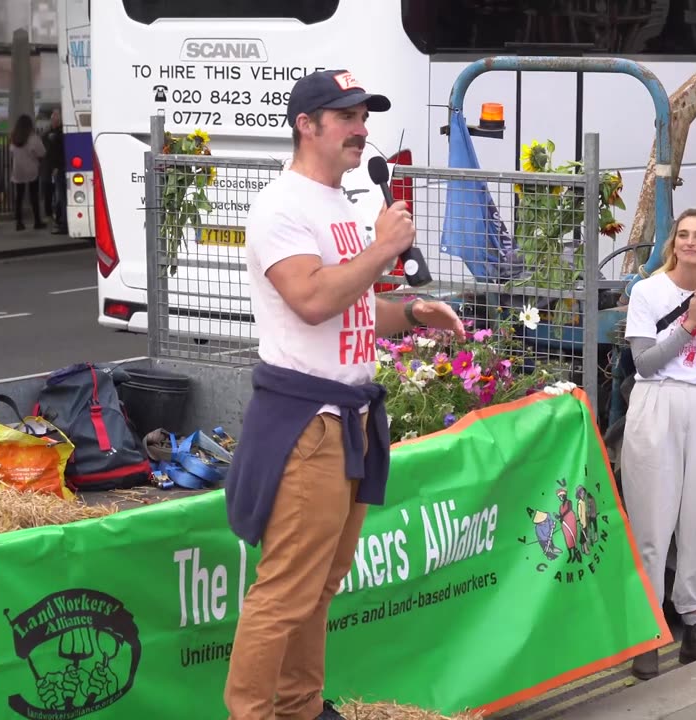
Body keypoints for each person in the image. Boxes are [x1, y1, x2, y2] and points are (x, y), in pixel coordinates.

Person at [222, 68, 465, 720]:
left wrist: (411, 313)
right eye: (347, 116)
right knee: (284, 592)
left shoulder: (345, 205)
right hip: (309, 423)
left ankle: (301, 708)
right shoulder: (280, 206)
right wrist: (384, 250)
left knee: (318, 587)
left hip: (347, 420)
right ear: (308, 125)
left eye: (365, 116)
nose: (362, 129)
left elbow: (353, 310)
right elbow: (310, 300)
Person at [619, 207, 696, 680]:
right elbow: (646, 363)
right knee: (652, 528)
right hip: (657, 405)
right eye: (684, 235)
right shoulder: (647, 292)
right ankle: (648, 634)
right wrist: (688, 322)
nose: (691, 243)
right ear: (674, 243)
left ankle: (693, 625)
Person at [8, 114, 47, 230]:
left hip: (18, 170)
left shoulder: (14, 138)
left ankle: (19, 222)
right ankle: (37, 221)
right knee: (34, 195)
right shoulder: (33, 138)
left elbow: (11, 152)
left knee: (19, 197)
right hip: (31, 169)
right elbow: (42, 153)